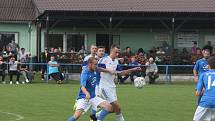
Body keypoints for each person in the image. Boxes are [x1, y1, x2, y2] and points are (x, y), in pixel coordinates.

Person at [98, 44, 141, 121]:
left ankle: (97, 116)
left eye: (118, 53)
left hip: (112, 87)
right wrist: (108, 70)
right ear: (111, 51)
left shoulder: (116, 61)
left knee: (113, 108)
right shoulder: (104, 59)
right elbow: (97, 68)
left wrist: (133, 69)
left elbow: (120, 73)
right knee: (117, 107)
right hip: (104, 87)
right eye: (116, 52)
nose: (117, 54)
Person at [68, 57, 113, 121]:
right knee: (76, 116)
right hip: (84, 98)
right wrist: (87, 93)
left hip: (93, 97)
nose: (96, 66)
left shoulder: (94, 69)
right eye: (95, 64)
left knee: (110, 107)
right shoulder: (85, 73)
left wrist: (108, 70)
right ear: (89, 64)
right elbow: (82, 87)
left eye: (97, 64)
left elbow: (99, 69)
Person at [193, 57, 215, 121]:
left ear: (208, 65)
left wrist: (205, 90)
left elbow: (197, 93)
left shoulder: (203, 74)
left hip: (206, 101)